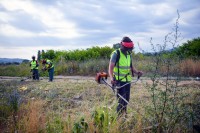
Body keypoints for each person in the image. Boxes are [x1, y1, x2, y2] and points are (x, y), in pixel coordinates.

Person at [108, 36, 143, 116]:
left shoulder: (129, 54)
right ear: (122, 45)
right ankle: (119, 118)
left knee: (126, 99)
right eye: (126, 48)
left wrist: (137, 72)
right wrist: (111, 78)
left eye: (129, 49)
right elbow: (110, 68)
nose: (127, 50)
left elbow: (131, 67)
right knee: (121, 100)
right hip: (119, 81)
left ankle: (124, 115)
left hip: (127, 80)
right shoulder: (116, 54)